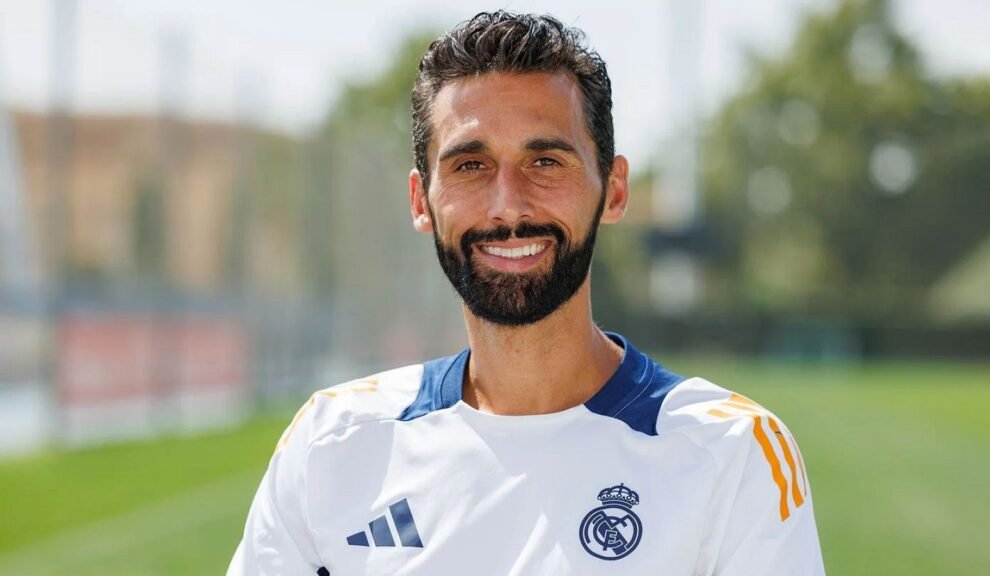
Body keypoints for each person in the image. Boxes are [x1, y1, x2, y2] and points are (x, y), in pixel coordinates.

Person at [229, 11, 825, 575]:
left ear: (614, 189)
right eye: (470, 166)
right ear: (420, 201)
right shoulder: (332, 442)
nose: (508, 206)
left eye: (545, 161)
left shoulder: (730, 453)